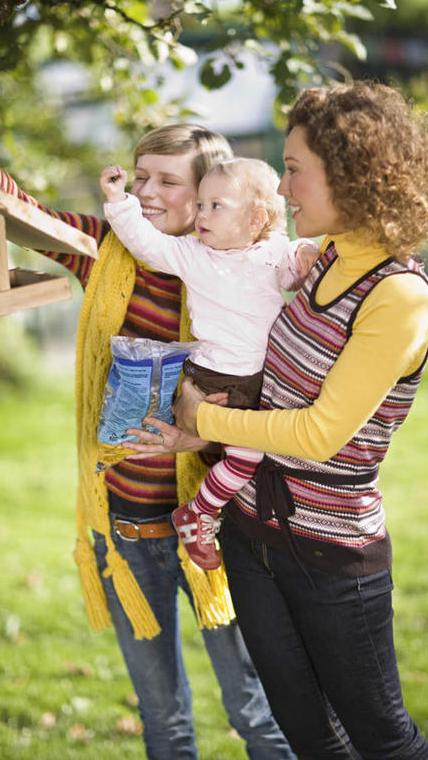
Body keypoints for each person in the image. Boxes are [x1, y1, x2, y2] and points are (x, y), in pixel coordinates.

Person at [0, 113, 295, 760]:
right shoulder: (106, 248)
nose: (149, 192)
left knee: (254, 709)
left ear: (208, 192)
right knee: (162, 720)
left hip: (216, 529)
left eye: (168, 180)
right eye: (140, 178)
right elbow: (24, 210)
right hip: (127, 528)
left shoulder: (245, 278)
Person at [127, 82, 428, 759]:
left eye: (295, 168)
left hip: (330, 555)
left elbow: (317, 433)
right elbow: (267, 385)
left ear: (350, 175)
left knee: (381, 736)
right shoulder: (320, 260)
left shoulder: (397, 296)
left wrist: (206, 412)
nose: (283, 185)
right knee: (309, 736)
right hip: (248, 533)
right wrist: (201, 433)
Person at [100, 157, 319, 570]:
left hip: (266, 380)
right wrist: (118, 201)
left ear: (255, 219)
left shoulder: (273, 251)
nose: (201, 214)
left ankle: (227, 521)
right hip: (220, 380)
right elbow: (148, 243)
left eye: (215, 206)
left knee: (259, 456)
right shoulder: (194, 254)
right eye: (200, 205)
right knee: (245, 458)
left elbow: (294, 270)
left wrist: (306, 252)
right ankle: (198, 512)